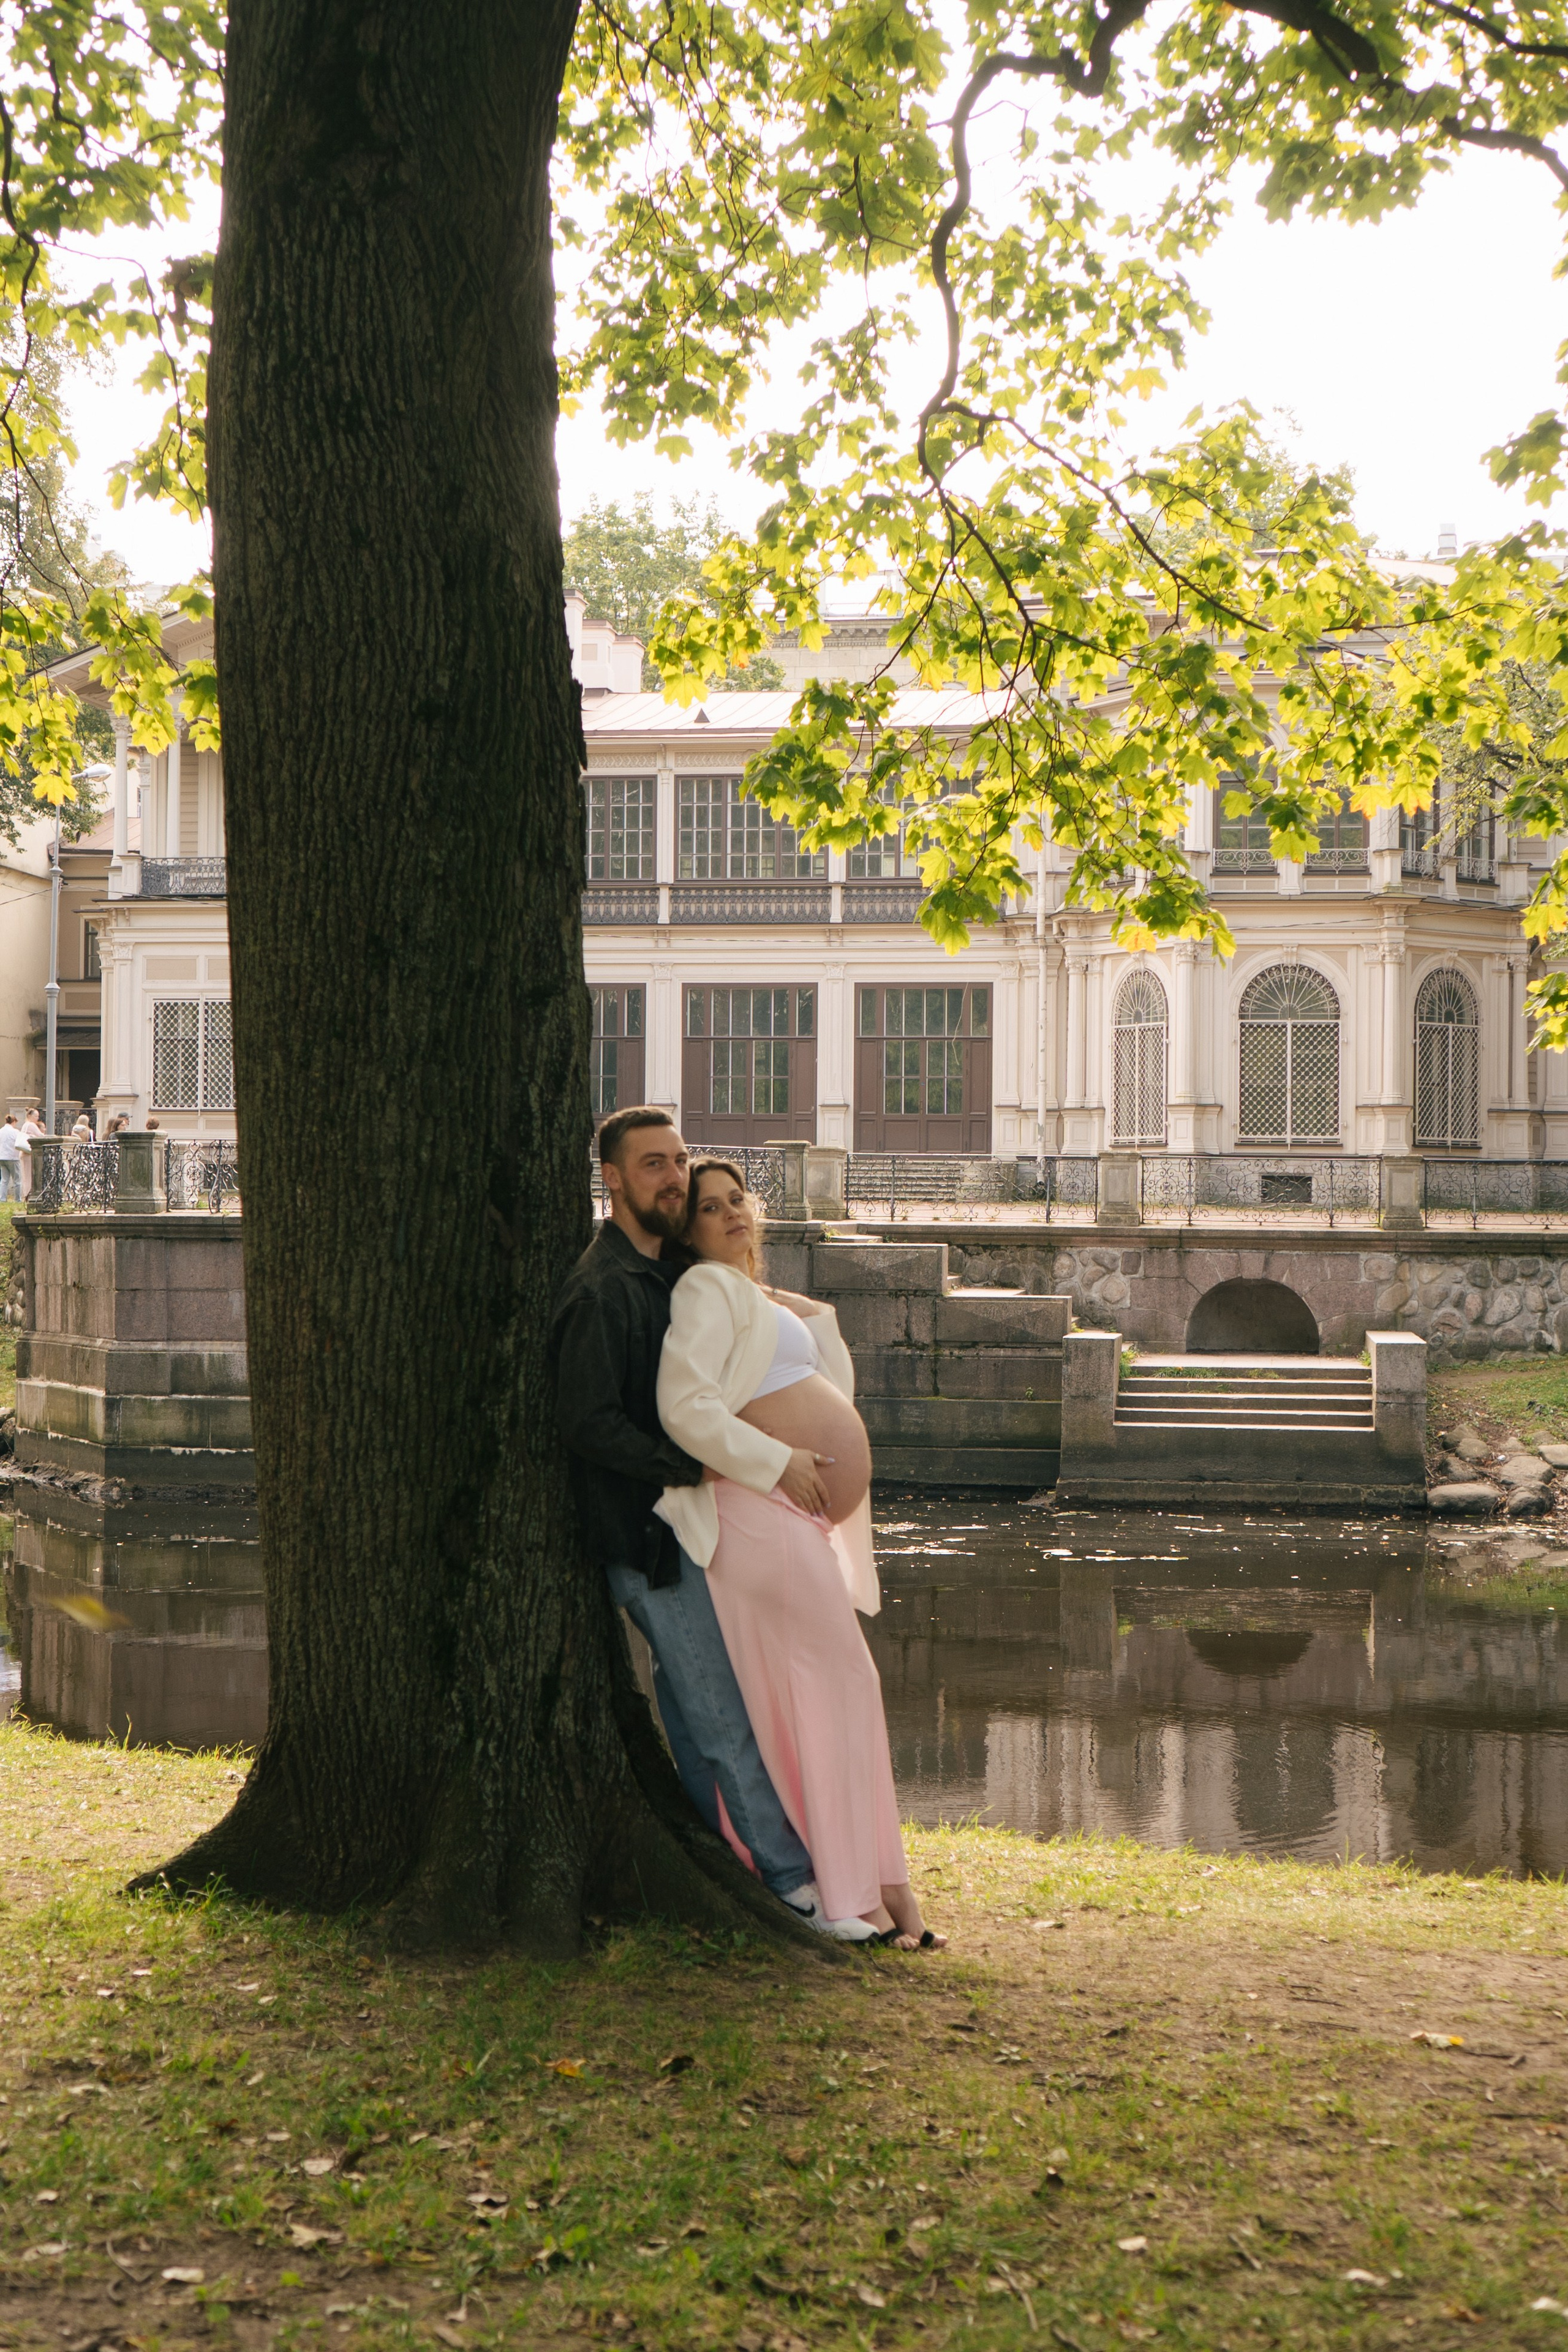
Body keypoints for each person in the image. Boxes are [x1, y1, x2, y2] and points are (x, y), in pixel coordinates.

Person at [551, 1106, 867, 1939]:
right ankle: (796, 1889)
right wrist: (703, 1463)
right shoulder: (604, 1288)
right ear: (612, 1180)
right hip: (645, 1539)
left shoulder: (663, 1271)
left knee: (694, 1718)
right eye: (653, 1164)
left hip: (680, 1530)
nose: (674, 1177)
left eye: (680, 1160)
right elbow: (586, 1422)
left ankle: (720, 1858)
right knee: (720, 1712)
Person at [654, 1157, 944, 1951]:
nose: (731, 1214)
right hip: (757, 1512)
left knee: (823, 1692)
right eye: (709, 1209)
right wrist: (779, 1461)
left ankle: (887, 1894)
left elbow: (824, 1380)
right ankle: (852, 1890)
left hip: (790, 1518)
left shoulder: (748, 1296)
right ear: (689, 1233)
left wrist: (797, 1310)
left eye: (737, 1200)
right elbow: (685, 1407)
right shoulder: (703, 1290)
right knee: (830, 1688)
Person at [0, 1114, 23, 1202]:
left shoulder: (1, 1131)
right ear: (14, 1122)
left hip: (2, 1158)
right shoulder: (15, 1132)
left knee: (4, 1180)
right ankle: (18, 1199)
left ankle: (2, 1199)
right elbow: (20, 1143)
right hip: (13, 1158)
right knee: (17, 1180)